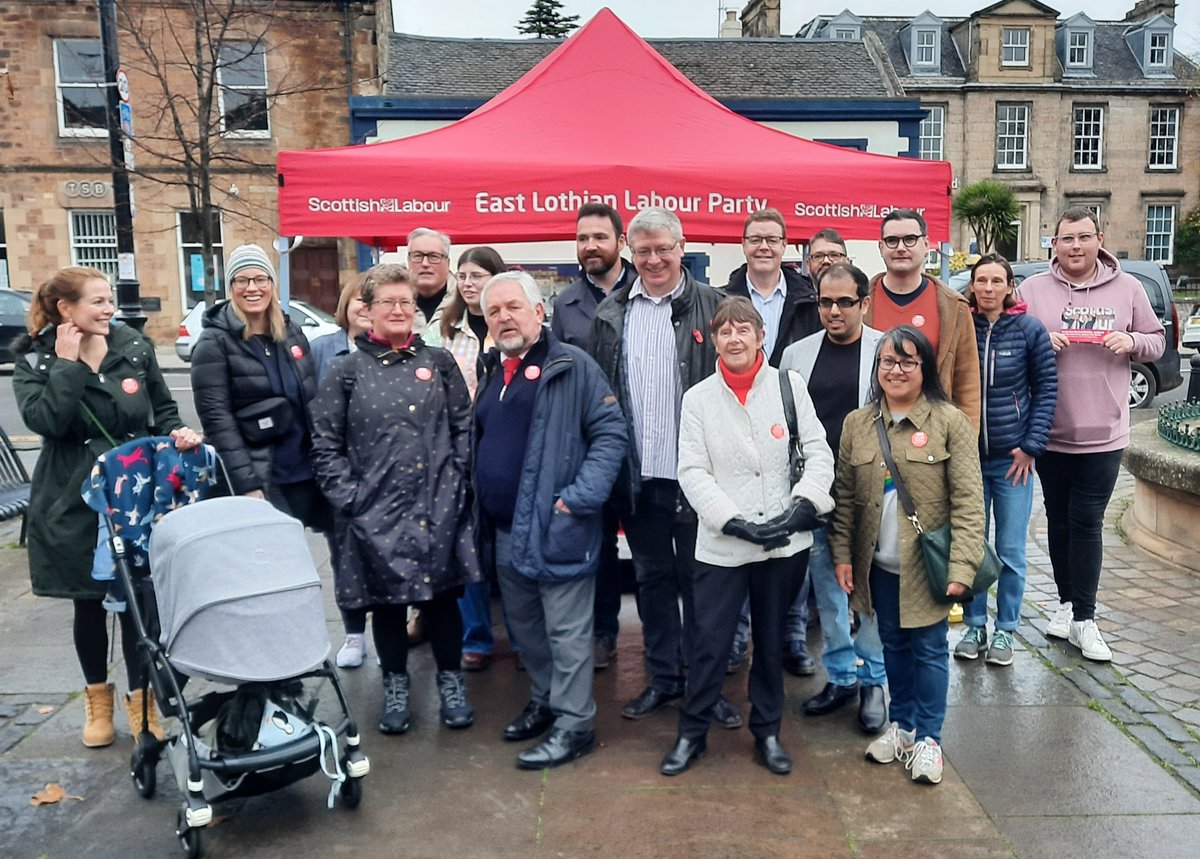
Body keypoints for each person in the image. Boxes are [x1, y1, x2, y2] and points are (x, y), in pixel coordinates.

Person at [13, 266, 202, 748]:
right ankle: (97, 701)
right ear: (65, 309)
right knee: (89, 602)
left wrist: (177, 432)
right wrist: (67, 364)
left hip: (134, 494)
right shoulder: (35, 362)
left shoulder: (133, 349)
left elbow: (163, 407)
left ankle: (143, 706)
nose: (109, 308)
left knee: (140, 602)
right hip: (74, 498)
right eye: (97, 301)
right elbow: (49, 422)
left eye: (109, 299)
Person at [661, 296, 834, 777]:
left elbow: (818, 451)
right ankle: (692, 734)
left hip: (784, 539)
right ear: (714, 340)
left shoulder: (788, 385)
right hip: (723, 543)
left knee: (772, 641)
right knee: (711, 644)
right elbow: (692, 470)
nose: (735, 339)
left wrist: (802, 506)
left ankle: (768, 732)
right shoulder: (698, 398)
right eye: (725, 331)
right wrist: (731, 520)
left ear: (761, 336)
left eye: (744, 329)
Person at [310, 266, 480, 734]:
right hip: (373, 512)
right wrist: (353, 499)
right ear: (368, 311)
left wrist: (457, 484)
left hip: (437, 505)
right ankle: (396, 685)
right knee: (385, 605)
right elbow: (325, 444)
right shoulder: (346, 370)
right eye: (389, 302)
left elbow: (463, 427)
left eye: (406, 302)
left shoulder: (439, 363)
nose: (400, 311)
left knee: (442, 601)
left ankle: (451, 682)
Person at [586, 207, 739, 727]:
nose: (653, 259)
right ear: (631, 251)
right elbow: (602, 398)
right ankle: (665, 679)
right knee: (652, 583)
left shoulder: (715, 307)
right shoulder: (611, 315)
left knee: (704, 589)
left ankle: (706, 687)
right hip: (642, 479)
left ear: (681, 247)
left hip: (701, 480)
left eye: (663, 249)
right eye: (643, 250)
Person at [475, 271, 627, 769]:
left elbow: (610, 434)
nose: (503, 318)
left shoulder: (572, 366)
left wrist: (577, 499)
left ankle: (574, 724)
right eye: (493, 311)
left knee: (567, 633)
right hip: (504, 530)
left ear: (539, 312)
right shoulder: (497, 371)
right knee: (526, 630)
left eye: (513, 307)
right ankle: (545, 700)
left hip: (559, 525)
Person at [831, 326, 984, 786]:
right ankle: (903, 727)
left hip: (927, 567)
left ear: (924, 369)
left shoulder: (949, 422)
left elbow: (969, 502)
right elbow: (844, 501)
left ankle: (930, 739)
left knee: (931, 649)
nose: (895, 370)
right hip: (877, 565)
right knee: (893, 646)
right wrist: (842, 555)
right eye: (886, 362)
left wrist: (962, 568)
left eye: (907, 362)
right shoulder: (857, 424)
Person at [1020, 207, 1164, 662]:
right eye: (1066, 239)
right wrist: (1041, 336)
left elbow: (1157, 338)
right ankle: (1065, 604)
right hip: (1049, 430)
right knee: (1059, 522)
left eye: (1084, 237)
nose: (1075, 246)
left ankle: (1086, 616)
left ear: (1100, 239)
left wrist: (1133, 343)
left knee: (1087, 523)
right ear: (1054, 244)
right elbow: (1007, 338)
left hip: (1104, 433)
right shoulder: (1032, 290)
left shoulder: (1129, 288)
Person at [726, 223, 847, 677]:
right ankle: (737, 639)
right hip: (738, 419)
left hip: (792, 424)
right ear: (744, 246)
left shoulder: (807, 295)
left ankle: (794, 637)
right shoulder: (723, 293)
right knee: (740, 538)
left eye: (772, 239)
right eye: (754, 238)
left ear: (784, 246)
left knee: (791, 539)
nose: (763, 246)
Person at [780, 262, 888, 733]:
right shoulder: (795, 355)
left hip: (871, 491)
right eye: (826, 302)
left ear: (864, 303)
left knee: (869, 592)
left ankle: (874, 680)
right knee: (826, 587)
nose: (835, 311)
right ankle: (841, 675)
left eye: (846, 301)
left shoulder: (888, 349)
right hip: (814, 491)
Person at [953, 255, 1057, 667]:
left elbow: (1047, 388)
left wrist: (1030, 445)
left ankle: (1006, 631)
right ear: (974, 286)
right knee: (973, 546)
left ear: (1010, 285)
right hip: (968, 460)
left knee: (1011, 548)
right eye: (982, 280)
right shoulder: (964, 327)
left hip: (1013, 460)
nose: (989, 288)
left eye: (998, 280)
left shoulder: (1030, 330)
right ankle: (975, 624)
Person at [552, 203, 638, 671]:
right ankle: (604, 630)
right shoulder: (564, 305)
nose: (589, 246)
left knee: (651, 543)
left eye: (599, 237)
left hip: (645, 441)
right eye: (582, 238)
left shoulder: (643, 291)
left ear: (619, 242)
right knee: (601, 542)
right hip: (590, 446)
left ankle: (667, 637)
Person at [191, 244, 332, 529]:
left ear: (272, 284)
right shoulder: (213, 344)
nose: (252, 288)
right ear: (231, 286)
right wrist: (247, 484)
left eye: (260, 279)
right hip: (263, 476)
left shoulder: (291, 333)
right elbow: (218, 421)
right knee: (276, 560)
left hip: (305, 471)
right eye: (242, 280)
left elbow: (311, 400)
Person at [426, 246, 505, 671]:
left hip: (504, 447)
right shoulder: (443, 329)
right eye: (464, 276)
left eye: (478, 275)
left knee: (508, 548)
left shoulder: (511, 323)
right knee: (468, 545)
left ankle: (522, 633)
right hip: (457, 451)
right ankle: (476, 637)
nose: (469, 283)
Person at [310, 271, 374, 670]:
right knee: (343, 556)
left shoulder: (391, 349)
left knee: (385, 557)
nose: (366, 311)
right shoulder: (321, 350)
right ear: (346, 307)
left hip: (382, 473)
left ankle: (390, 631)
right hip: (337, 472)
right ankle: (354, 633)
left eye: (374, 303)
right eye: (359, 303)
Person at [865, 210, 980, 431]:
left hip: (934, 438)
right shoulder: (860, 303)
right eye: (892, 240)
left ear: (926, 244)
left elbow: (967, 385)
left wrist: (966, 443)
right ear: (881, 247)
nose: (900, 247)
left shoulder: (953, 307)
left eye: (910, 239)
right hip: (874, 433)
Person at [406, 227, 455, 332]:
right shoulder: (392, 305)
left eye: (434, 256)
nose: (425, 264)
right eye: (417, 256)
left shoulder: (465, 301)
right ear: (408, 261)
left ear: (448, 263)